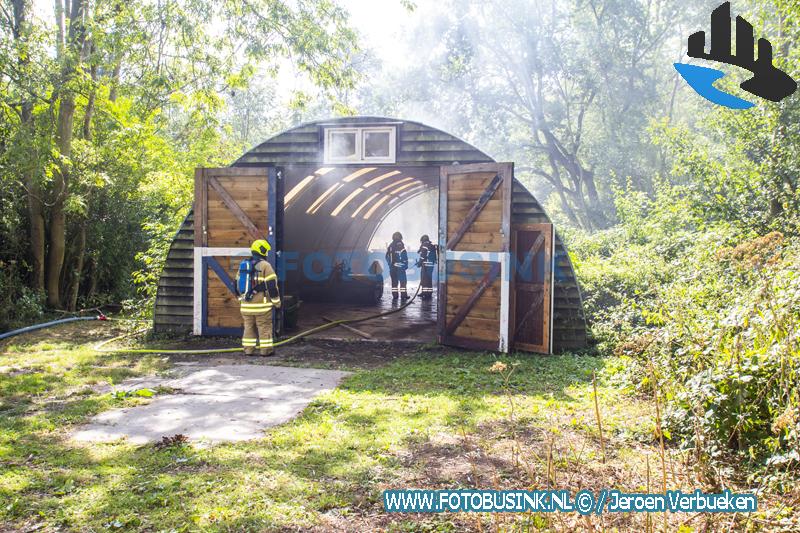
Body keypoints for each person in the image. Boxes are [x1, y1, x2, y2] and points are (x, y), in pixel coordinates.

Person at [237, 239, 281, 356]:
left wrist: (241, 299)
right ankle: (266, 351)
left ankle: (248, 350)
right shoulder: (266, 265)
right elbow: (272, 286)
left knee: (248, 327)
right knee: (264, 327)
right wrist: (277, 302)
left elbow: (236, 284)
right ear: (263, 251)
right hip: (262, 307)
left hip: (246, 306)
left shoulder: (243, 265)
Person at [385, 231, 408, 300]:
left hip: (392, 268)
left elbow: (386, 257)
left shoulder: (390, 246)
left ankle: (395, 296)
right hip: (400, 268)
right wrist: (405, 265)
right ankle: (403, 296)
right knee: (403, 282)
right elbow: (404, 256)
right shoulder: (401, 245)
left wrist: (390, 264)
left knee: (394, 283)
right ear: (400, 237)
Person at [416, 234, 437, 300]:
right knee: (428, 279)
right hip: (430, 265)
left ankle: (425, 293)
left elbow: (423, 256)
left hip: (426, 265)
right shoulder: (431, 245)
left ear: (422, 240)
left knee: (424, 279)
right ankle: (428, 293)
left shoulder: (425, 245)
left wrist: (419, 263)